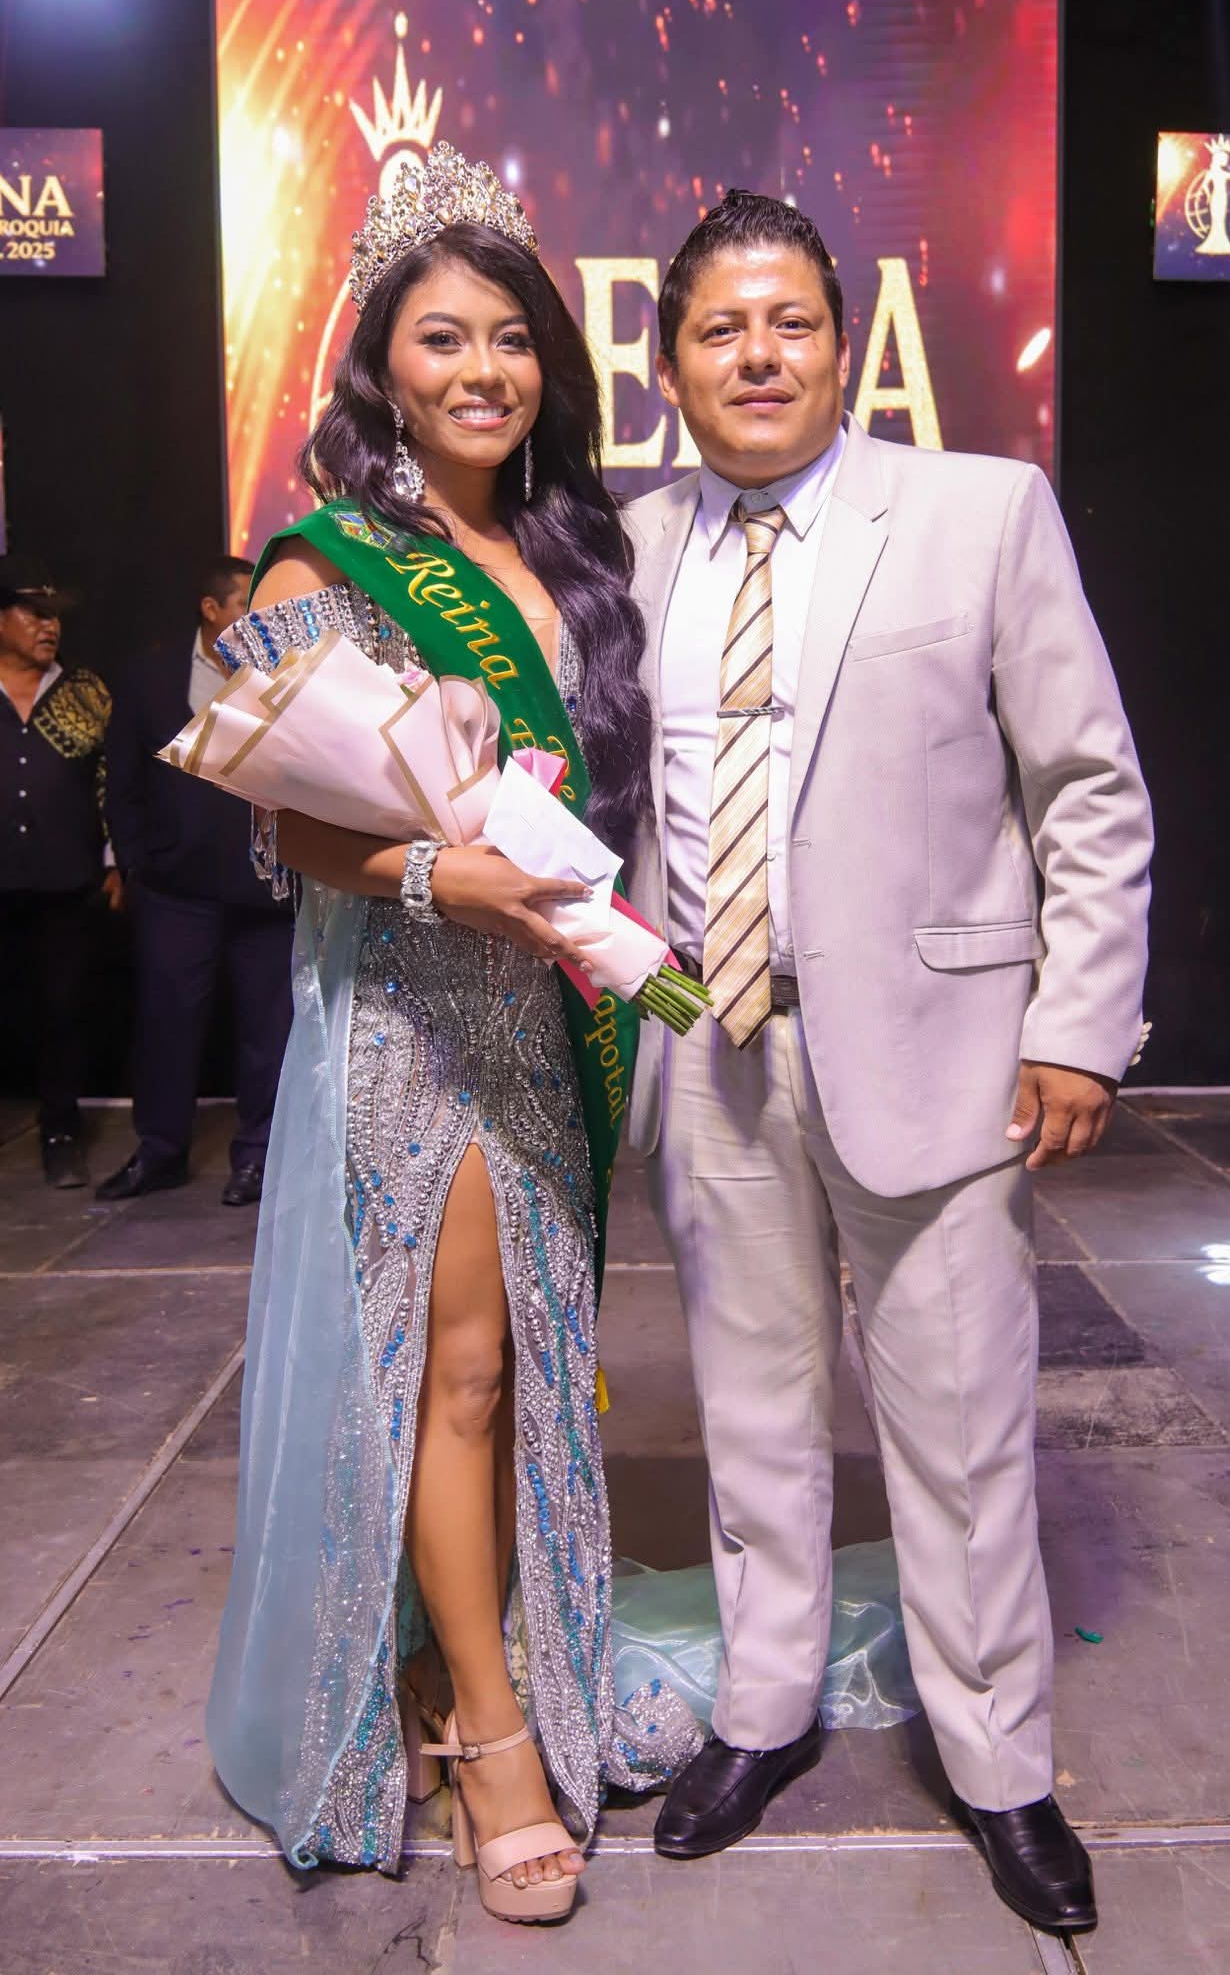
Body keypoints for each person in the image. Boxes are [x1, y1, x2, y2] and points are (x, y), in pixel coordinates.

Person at [624, 191, 1153, 1937]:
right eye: (720, 328)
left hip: (944, 1058)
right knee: (750, 1413)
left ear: (843, 346)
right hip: (712, 1050)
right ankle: (762, 1707)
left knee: (961, 1427)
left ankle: (998, 1762)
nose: (757, 354)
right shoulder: (628, 549)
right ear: (669, 363)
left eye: (789, 321)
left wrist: (1076, 1023)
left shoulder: (979, 511)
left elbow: (1087, 788)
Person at [204, 147, 698, 1918]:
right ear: (383, 368)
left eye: (511, 338)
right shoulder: (322, 558)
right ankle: (491, 1737)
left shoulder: (577, 550)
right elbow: (285, 818)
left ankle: (471, 1658)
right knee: (457, 1371)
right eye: (442, 338)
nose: (483, 370)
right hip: (418, 1016)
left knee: (525, 1367)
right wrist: (439, 871)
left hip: (550, 1012)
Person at [99, 558, 294, 1208]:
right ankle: (160, 1152)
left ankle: (258, 1158)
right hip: (175, 893)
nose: (259, 616)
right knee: (166, 1025)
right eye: (245, 604)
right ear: (211, 610)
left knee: (268, 1032)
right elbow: (123, 779)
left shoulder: (286, 673)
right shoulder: (150, 676)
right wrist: (135, 861)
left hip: (266, 892)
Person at [0, 555, 121, 1187]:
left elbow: (111, 779)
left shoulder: (84, 691)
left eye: (55, 617)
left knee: (63, 1010)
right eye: (34, 613)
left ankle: (61, 1133)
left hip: (66, 880)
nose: (49, 626)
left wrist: (114, 861)